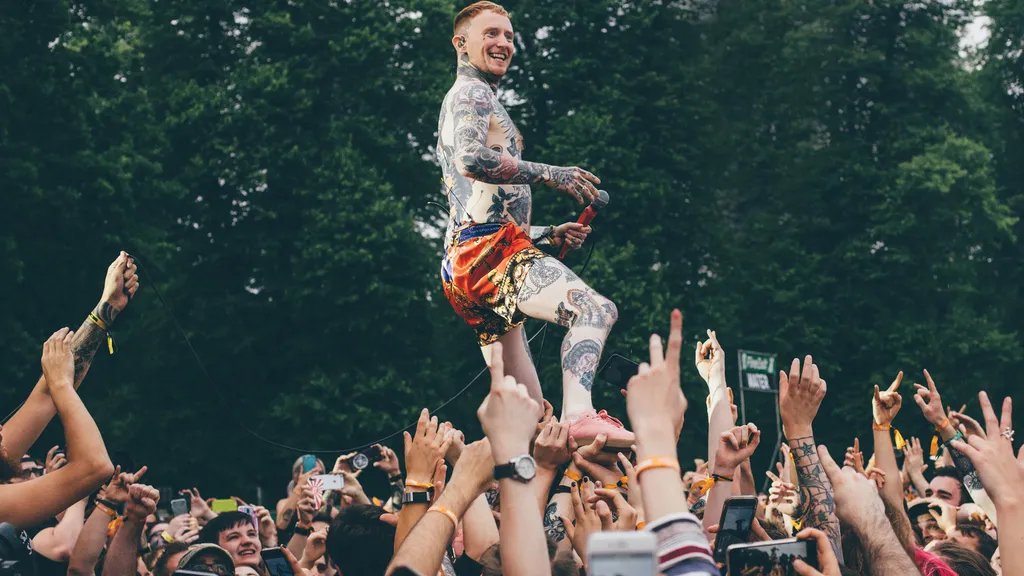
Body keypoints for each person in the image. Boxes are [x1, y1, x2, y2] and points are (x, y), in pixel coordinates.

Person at [435, 1, 630, 447]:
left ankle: (505, 497)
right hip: (486, 255)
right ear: (460, 43)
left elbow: (474, 204)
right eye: (491, 33)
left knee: (536, 427)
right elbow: (469, 160)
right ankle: (580, 413)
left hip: (467, 262)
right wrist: (552, 173)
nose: (504, 43)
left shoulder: (475, 98)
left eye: (508, 35)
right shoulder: (471, 94)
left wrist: (545, 235)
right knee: (595, 310)